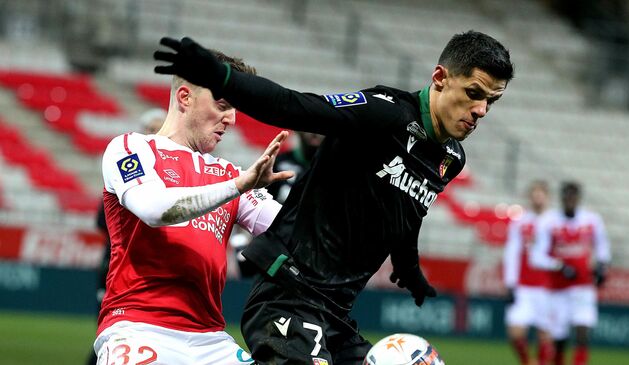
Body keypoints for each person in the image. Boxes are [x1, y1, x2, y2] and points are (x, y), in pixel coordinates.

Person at [153, 30, 514, 364]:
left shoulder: (450, 158)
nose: (481, 110)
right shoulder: (383, 112)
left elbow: (407, 212)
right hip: (288, 296)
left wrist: (409, 267)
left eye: (491, 102)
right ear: (440, 78)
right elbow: (292, 106)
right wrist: (220, 77)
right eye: (474, 93)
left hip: (336, 314)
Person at [94, 51, 294, 365]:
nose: (232, 119)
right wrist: (239, 186)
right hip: (139, 328)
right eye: (223, 106)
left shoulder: (229, 173)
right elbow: (152, 209)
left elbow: (293, 230)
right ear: (185, 97)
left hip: (212, 340)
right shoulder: (131, 148)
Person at [86, 108, 166, 365]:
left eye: (159, 127)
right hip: (118, 266)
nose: (155, 133)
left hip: (154, 271)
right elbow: (102, 220)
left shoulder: (171, 170)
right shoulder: (125, 169)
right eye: (151, 128)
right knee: (116, 336)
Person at [531, 182, 611, 365]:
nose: (570, 201)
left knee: (583, 330)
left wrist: (602, 266)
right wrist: (558, 266)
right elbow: (537, 256)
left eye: (573, 197)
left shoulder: (591, 220)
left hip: (583, 286)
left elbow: (602, 246)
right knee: (559, 338)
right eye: (567, 196)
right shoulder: (549, 221)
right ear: (562, 198)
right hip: (558, 290)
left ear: (578, 198)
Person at [231, 131, 324, 277]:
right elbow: (249, 200)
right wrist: (240, 245)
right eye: (310, 127)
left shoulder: (336, 172)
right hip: (271, 253)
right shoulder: (278, 164)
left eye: (321, 128)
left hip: (314, 257)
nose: (315, 133)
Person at [503, 180, 555, 365]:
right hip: (523, 287)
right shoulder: (521, 222)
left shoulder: (554, 222)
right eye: (534, 195)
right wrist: (510, 283)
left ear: (547, 197)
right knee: (515, 332)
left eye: (541, 195)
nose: (537, 199)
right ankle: (527, 362)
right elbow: (512, 253)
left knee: (545, 334)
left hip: (547, 287)